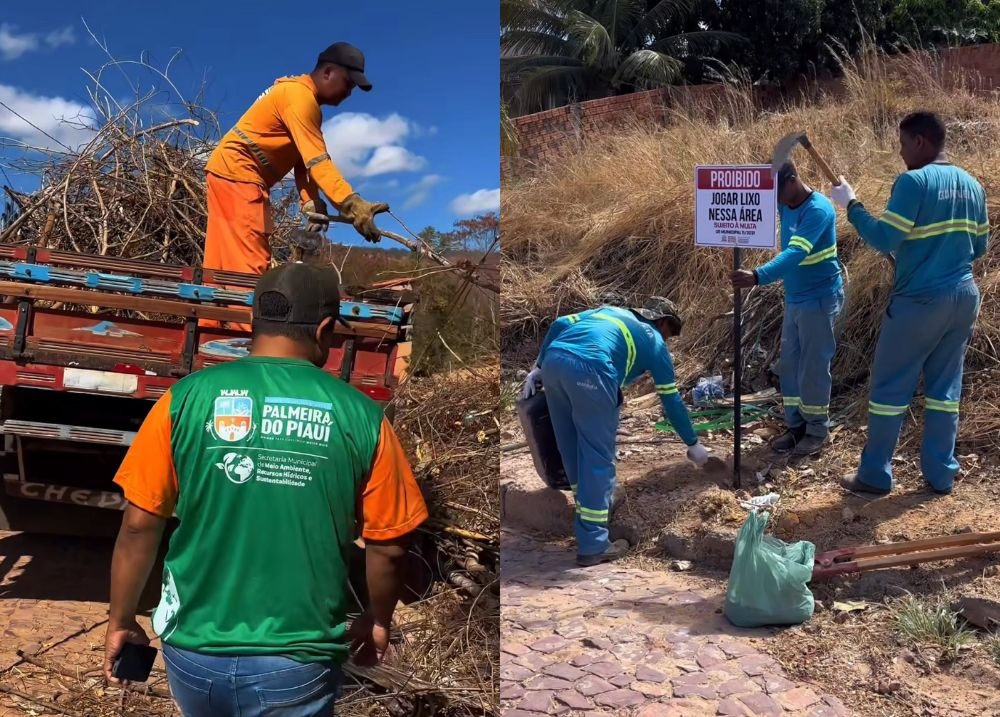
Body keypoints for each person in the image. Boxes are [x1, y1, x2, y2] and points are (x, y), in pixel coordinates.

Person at [103, 262, 429, 716]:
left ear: (253, 323)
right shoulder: (363, 416)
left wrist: (121, 620)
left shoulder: (183, 399)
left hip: (193, 654)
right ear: (324, 329)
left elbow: (139, 527)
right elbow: (389, 546)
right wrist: (377, 618)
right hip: (299, 659)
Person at [830, 110, 989, 496]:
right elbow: (979, 247)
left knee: (889, 389)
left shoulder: (914, 182)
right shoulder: (973, 185)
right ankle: (940, 475)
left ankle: (875, 475)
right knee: (944, 390)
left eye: (903, 144)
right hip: (963, 297)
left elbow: (885, 238)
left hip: (920, 301)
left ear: (920, 141)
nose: (901, 153)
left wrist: (852, 206)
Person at [202, 42, 388, 330]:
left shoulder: (297, 96)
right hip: (240, 174)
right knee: (249, 267)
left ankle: (211, 332)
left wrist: (310, 201)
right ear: (328, 72)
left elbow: (303, 162)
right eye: (348, 83)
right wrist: (352, 205)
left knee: (223, 263)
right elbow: (318, 161)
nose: (349, 93)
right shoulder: (300, 98)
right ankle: (246, 343)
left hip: (229, 172)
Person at [521, 297, 709, 567]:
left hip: (555, 362)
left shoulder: (608, 312)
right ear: (662, 322)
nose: (667, 339)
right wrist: (692, 442)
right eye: (670, 332)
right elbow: (671, 400)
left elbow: (560, 323)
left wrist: (538, 366)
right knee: (598, 455)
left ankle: (588, 513)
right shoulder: (655, 342)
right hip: (592, 371)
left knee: (570, 447)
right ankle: (594, 545)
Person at [731, 161, 844, 456]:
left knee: (814, 368)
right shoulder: (786, 206)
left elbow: (795, 253)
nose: (773, 200)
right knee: (791, 367)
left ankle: (817, 430)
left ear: (792, 180)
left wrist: (757, 276)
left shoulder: (817, 210)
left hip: (819, 298)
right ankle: (795, 427)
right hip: (795, 299)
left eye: (775, 191)